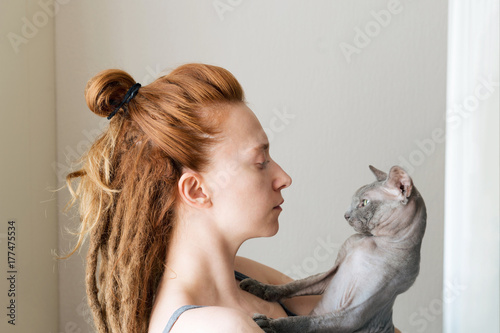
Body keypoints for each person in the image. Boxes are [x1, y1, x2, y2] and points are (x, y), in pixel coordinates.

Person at [60, 63, 402, 333]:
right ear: (196, 190)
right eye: (260, 162)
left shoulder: (244, 277)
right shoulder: (219, 327)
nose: (283, 178)